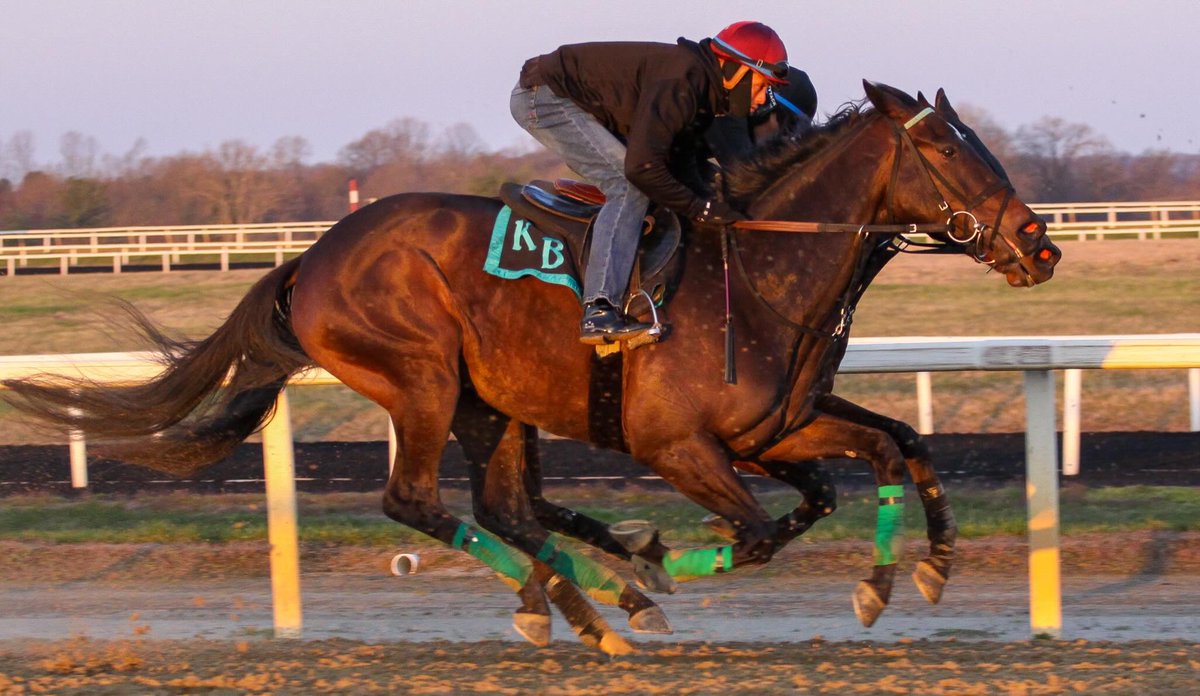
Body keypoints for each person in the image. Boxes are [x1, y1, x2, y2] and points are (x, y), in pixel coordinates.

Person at [511, 21, 790, 345]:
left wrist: (718, 209)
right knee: (628, 184)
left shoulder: (704, 93)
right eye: (761, 86)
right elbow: (641, 168)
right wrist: (700, 209)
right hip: (544, 98)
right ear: (737, 71)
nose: (762, 99)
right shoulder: (683, 82)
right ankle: (599, 309)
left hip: (576, 101)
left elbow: (682, 165)